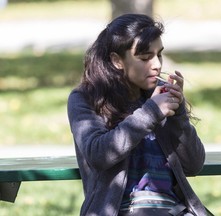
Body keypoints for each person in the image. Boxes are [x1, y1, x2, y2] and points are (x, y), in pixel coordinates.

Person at [67, 13, 208, 216]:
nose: (157, 65)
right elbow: (99, 154)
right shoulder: (85, 98)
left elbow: (194, 165)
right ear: (117, 60)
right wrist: (151, 112)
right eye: (145, 58)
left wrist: (178, 115)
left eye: (158, 54)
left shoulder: (161, 95)